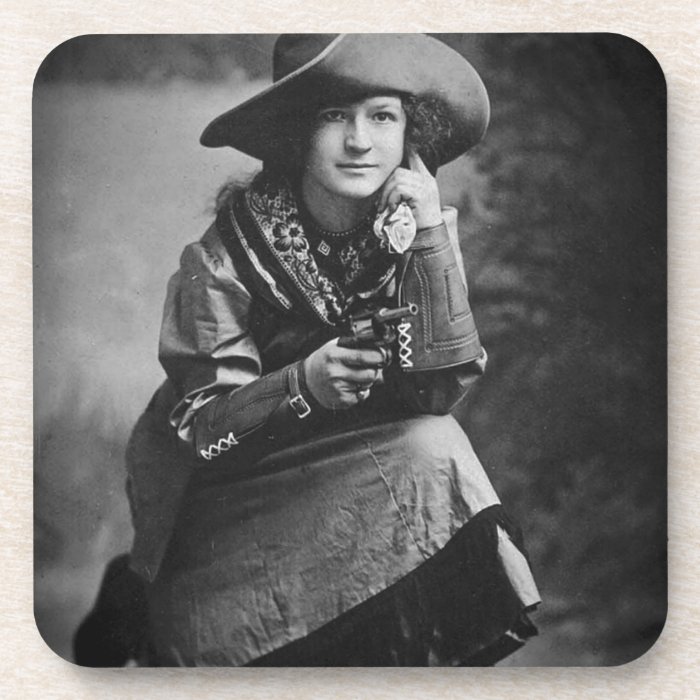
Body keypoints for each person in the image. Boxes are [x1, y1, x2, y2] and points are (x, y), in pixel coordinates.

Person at [102, 33, 540, 667]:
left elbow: (438, 394)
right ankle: (135, 604)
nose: (360, 142)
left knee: (433, 446)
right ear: (295, 134)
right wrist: (301, 384)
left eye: (382, 117)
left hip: (357, 474)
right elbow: (204, 435)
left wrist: (431, 242)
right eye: (334, 116)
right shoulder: (223, 259)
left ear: (409, 136)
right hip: (223, 487)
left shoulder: (415, 232)